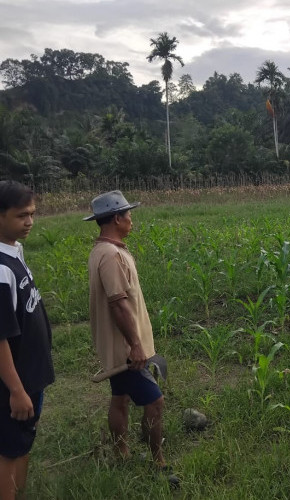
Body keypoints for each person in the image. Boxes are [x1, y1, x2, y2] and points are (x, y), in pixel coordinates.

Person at [84, 190, 178, 486]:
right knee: (155, 402)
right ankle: (158, 461)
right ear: (116, 218)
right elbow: (117, 302)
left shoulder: (102, 250)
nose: (131, 220)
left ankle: (121, 452)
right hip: (126, 349)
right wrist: (136, 346)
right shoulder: (111, 256)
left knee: (120, 397)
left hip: (117, 346)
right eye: (128, 215)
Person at [0, 181, 55, 500]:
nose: (30, 222)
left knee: (23, 441)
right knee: (8, 449)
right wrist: (17, 391)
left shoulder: (11, 251)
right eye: (22, 216)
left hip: (28, 374)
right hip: (13, 381)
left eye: (32, 214)